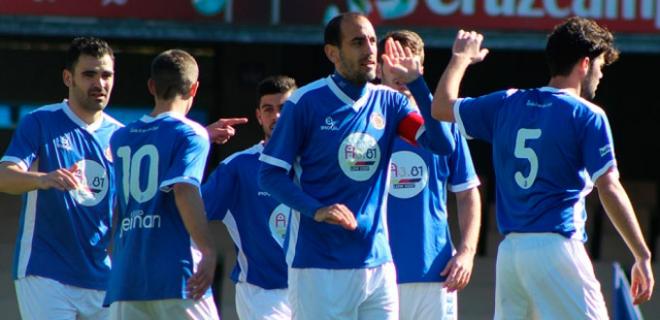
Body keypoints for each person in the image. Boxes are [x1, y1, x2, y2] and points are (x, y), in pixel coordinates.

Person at [429, 16, 654, 318]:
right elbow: (609, 187)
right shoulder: (587, 114)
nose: (601, 75)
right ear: (585, 63)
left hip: (510, 255)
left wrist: (460, 59)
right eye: (600, 66)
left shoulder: (507, 103)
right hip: (557, 247)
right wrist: (642, 254)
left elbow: (441, 107)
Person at [258, 12, 454, 319]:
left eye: (373, 40)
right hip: (318, 266)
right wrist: (317, 210)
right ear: (332, 53)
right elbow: (269, 175)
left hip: (377, 264)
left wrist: (417, 83)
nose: (370, 49)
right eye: (358, 42)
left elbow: (442, 144)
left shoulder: (391, 103)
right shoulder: (304, 103)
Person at [0, 37, 120, 320]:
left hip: (101, 275)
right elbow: (4, 177)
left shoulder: (121, 136)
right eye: (89, 74)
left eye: (106, 75)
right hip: (45, 271)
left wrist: (194, 134)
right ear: (68, 77)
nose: (99, 84)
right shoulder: (40, 121)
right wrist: (42, 179)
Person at [103, 49, 218, 319]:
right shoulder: (191, 132)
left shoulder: (121, 137)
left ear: (151, 86)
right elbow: (184, 189)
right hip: (177, 274)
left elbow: (117, 206)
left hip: (127, 280)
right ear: (194, 88)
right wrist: (208, 250)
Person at [378, 30, 481, 320]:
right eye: (392, 60)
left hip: (433, 271)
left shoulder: (442, 121)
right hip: (373, 271)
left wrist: (467, 251)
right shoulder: (363, 117)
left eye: (407, 62)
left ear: (420, 69)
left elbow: (467, 192)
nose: (399, 69)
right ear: (377, 66)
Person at [202, 75, 297, 320]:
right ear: (258, 116)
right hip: (263, 295)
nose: (276, 116)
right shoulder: (237, 167)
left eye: (284, 109)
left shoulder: (318, 164)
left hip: (316, 287)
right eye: (269, 110)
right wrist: (198, 139)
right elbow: (189, 210)